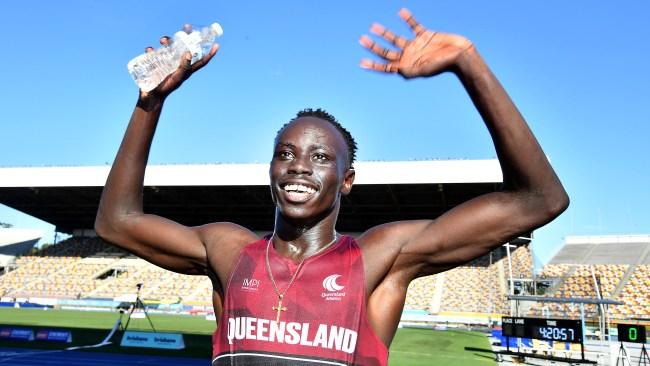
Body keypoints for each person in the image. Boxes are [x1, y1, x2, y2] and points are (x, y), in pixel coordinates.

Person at [95, 8, 568, 366]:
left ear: (346, 181)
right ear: (270, 170)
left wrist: (468, 63)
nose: (299, 167)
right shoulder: (228, 250)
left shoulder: (380, 257)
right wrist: (150, 104)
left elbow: (539, 200)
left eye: (320, 157)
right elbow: (117, 223)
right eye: (286, 154)